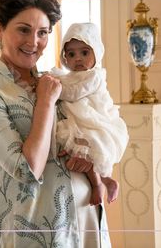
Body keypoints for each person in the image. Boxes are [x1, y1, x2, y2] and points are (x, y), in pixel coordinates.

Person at [0, 0, 111, 248]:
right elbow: (27, 170)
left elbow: (74, 142)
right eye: (24, 30)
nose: (34, 42)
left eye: (43, 32)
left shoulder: (54, 81)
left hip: (84, 219)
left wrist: (98, 176)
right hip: (32, 231)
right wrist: (45, 101)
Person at [52, 23, 129, 206]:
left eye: (84, 52)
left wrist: (54, 90)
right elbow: (68, 85)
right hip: (78, 119)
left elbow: (74, 93)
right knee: (75, 149)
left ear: (96, 52)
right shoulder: (69, 77)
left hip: (93, 120)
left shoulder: (94, 76)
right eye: (71, 54)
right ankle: (107, 181)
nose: (78, 58)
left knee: (88, 150)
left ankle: (97, 185)